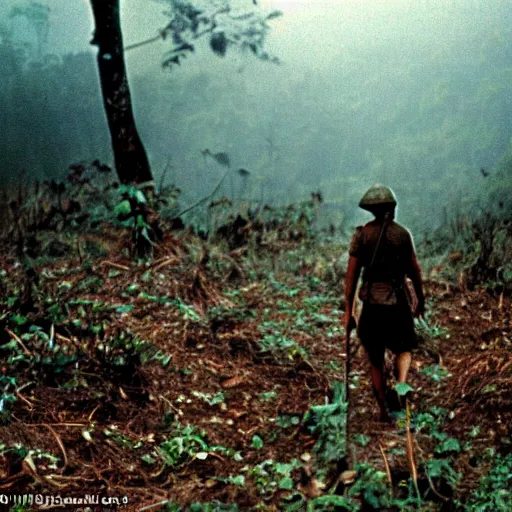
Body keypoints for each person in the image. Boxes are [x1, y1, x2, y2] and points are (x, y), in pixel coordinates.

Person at [344, 184, 425, 422]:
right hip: (397, 303)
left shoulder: (362, 235)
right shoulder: (402, 235)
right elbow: (415, 271)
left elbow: (351, 279)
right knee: (404, 348)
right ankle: (401, 385)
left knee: (376, 358)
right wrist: (420, 298)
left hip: (372, 306)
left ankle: (382, 412)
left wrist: (349, 312)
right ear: (392, 208)